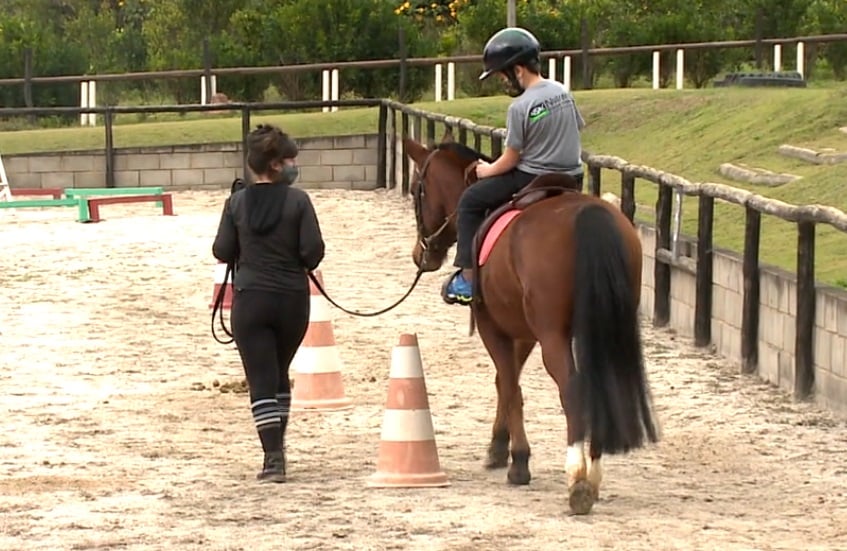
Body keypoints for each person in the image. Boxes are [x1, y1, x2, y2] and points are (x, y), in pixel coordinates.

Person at [212, 123, 325, 483]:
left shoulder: (237, 202)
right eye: (290, 160)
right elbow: (313, 253)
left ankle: (273, 458)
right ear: (275, 164)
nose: (295, 166)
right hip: (292, 300)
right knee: (279, 373)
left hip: (251, 300)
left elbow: (222, 250)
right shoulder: (299, 201)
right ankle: (279, 446)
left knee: (260, 379)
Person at [443, 27, 586, 305]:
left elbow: (511, 159)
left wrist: (485, 170)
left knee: (471, 200)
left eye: (502, 76)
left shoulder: (520, 107)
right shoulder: (561, 91)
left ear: (518, 70)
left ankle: (468, 280)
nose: (502, 82)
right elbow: (576, 128)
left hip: (532, 177)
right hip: (572, 176)